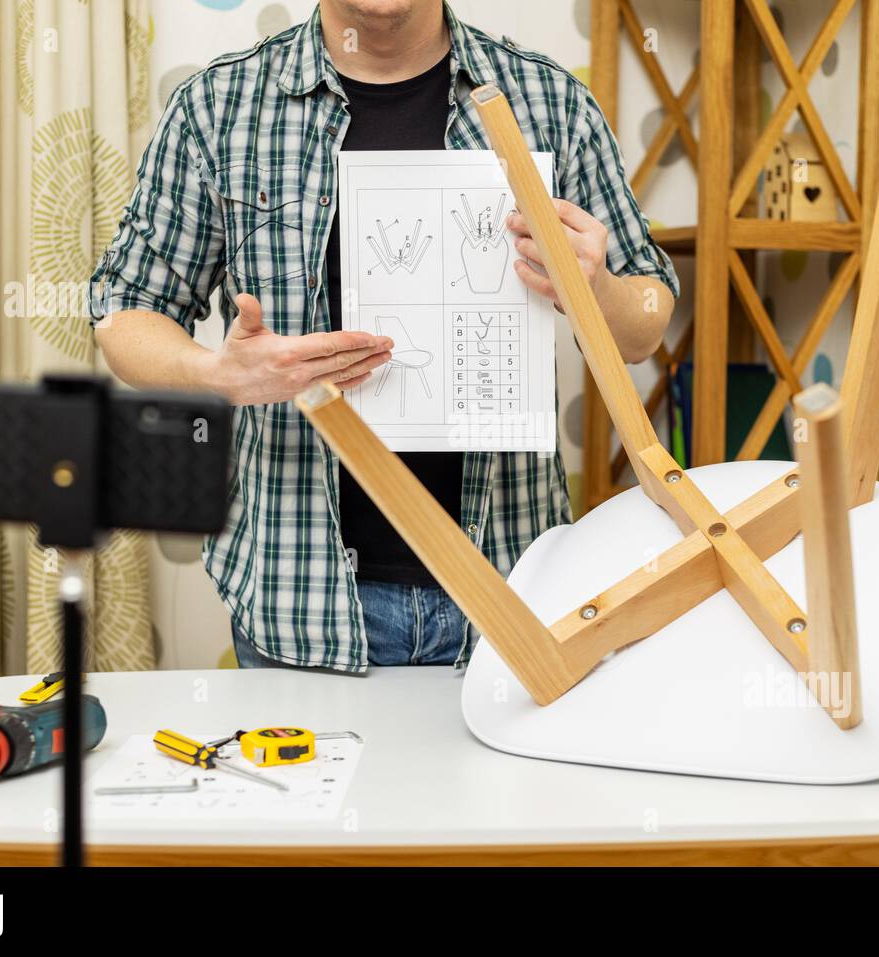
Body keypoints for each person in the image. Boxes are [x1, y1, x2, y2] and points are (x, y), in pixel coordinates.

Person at [90, 0, 678, 672]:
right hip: (297, 598)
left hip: (514, 594)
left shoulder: (549, 101)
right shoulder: (220, 106)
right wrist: (216, 373)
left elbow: (646, 321)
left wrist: (594, 283)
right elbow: (122, 311)